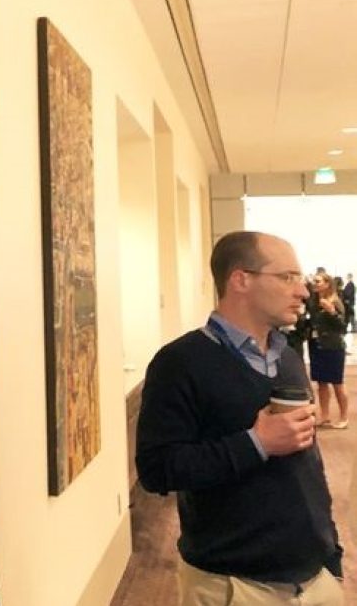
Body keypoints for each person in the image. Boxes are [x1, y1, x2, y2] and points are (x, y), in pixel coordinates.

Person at [136, 231, 343, 606]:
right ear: (241, 279)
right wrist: (257, 443)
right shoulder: (180, 362)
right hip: (235, 587)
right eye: (287, 277)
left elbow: (309, 464)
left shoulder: (287, 357)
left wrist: (332, 554)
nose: (302, 291)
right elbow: (157, 469)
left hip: (316, 581)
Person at [307, 272, 348, 429]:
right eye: (314, 281)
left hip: (333, 347)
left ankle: (344, 417)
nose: (315, 284)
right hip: (317, 346)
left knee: (337, 383)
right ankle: (325, 416)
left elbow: (343, 328)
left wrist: (332, 312)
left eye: (318, 281)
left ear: (327, 284)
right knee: (321, 383)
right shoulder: (314, 302)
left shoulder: (335, 301)